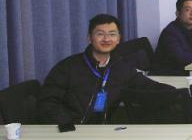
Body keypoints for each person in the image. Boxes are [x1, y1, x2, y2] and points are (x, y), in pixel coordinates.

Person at [38, 14, 172, 124]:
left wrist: (176, 93)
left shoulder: (122, 67)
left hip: (103, 131)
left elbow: (147, 86)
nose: (107, 39)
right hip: (71, 132)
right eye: (100, 34)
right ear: (89, 38)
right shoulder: (68, 67)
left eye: (112, 34)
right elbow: (48, 102)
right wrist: (68, 125)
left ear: (118, 39)